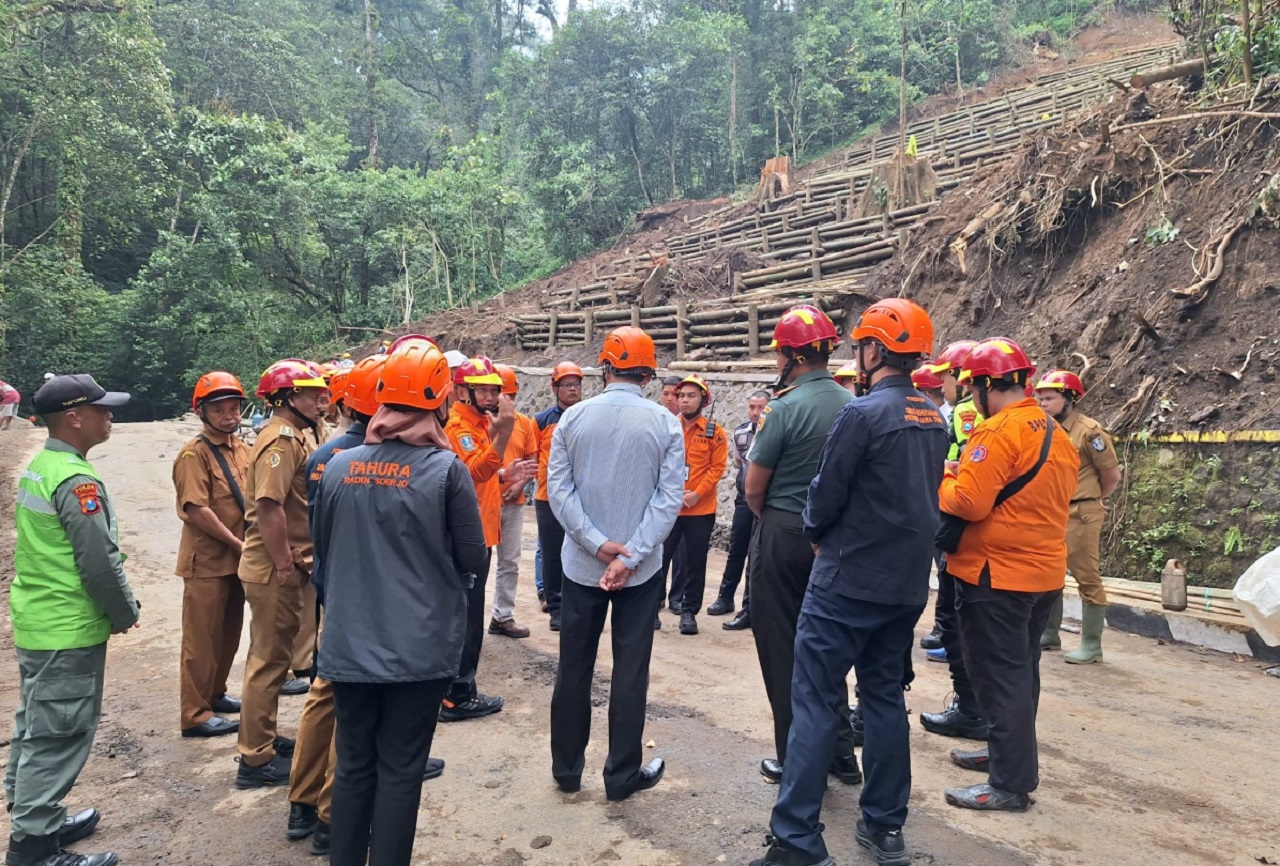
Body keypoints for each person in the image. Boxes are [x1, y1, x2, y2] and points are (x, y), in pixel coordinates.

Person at [756, 300, 946, 866]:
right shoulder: (933, 416)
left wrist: (815, 532)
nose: (858, 356)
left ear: (876, 351)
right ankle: (885, 828)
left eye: (863, 346)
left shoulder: (862, 416)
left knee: (814, 700)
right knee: (885, 700)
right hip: (905, 587)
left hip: (845, 584)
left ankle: (796, 839)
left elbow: (824, 495)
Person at [314, 340, 487, 866]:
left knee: (353, 765)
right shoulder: (446, 470)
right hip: (418, 650)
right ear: (441, 399)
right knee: (401, 769)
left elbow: (324, 556)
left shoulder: (340, 467)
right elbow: (472, 557)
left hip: (348, 648)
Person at [939, 338, 1077, 812]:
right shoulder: (1054, 432)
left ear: (984, 385)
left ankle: (1009, 784)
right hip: (1042, 575)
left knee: (999, 678)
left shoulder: (997, 431)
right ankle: (1004, 755)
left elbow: (970, 503)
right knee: (1021, 673)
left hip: (997, 576)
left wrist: (945, 477)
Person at [6, 374, 139, 866]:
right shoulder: (75, 479)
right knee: (57, 733)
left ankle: (34, 814)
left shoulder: (43, 465)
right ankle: (34, 848)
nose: (111, 416)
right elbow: (98, 561)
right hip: (67, 626)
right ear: (75, 418)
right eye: (103, 409)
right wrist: (124, 612)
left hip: (40, 619)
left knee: (34, 725)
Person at [548, 326, 683, 801]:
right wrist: (631, 554)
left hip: (582, 566)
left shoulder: (573, 418)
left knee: (574, 669)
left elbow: (558, 493)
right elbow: (670, 500)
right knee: (629, 671)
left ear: (605, 368)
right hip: (640, 573)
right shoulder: (666, 423)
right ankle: (621, 776)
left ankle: (566, 770)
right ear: (648, 372)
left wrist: (598, 544)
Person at [743, 304, 859, 788]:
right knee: (828, 647)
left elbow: (753, 486)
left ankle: (796, 759)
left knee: (781, 648)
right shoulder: (854, 404)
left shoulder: (784, 408)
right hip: (838, 539)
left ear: (792, 356)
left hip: (786, 532)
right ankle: (842, 755)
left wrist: (771, 520)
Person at [285, 351, 391, 855]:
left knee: (324, 691)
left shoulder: (324, 454)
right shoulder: (373, 460)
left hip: (333, 584)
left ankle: (302, 801)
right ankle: (333, 815)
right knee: (353, 703)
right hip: (364, 597)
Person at [234, 359, 328, 790]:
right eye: (311, 394)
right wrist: (285, 564)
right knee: (269, 661)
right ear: (289, 398)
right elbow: (269, 507)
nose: (320, 399)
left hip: (283, 565)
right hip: (275, 568)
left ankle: (264, 739)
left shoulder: (295, 435)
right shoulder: (281, 440)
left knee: (273, 658)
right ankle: (254, 759)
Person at [443, 356, 535, 721]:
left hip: (481, 531)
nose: (490, 396)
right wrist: (503, 435)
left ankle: (461, 689)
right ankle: (457, 695)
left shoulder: (479, 424)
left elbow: (477, 479)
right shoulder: (458, 427)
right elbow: (474, 470)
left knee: (469, 615)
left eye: (494, 389)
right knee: (465, 619)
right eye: (482, 389)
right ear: (463, 390)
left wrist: (504, 473)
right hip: (468, 536)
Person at [172, 372, 251, 739]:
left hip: (238, 560)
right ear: (201, 412)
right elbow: (197, 509)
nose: (228, 414)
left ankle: (215, 694)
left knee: (228, 633)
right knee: (201, 640)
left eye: (233, 406)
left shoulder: (243, 448)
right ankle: (195, 714)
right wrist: (238, 544)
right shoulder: (194, 454)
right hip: (207, 562)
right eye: (219, 408)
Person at [1034, 370, 1121, 663]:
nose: (1043, 404)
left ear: (1069, 398)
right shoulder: (1046, 428)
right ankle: (1049, 633)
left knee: (1086, 576)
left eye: (1049, 398)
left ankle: (1092, 644)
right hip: (1053, 510)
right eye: (1040, 398)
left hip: (1081, 511)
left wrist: (1092, 499)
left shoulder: (1090, 432)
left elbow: (1111, 475)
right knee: (1050, 574)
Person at [659, 374, 728, 635]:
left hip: (700, 511)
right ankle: (653, 606)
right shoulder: (668, 428)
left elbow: (717, 467)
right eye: (682, 396)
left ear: (703, 400)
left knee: (695, 563)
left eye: (691, 396)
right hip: (669, 508)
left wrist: (696, 494)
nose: (685, 400)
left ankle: (689, 611)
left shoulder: (714, 433)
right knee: (660, 559)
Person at [708, 390, 771, 630]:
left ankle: (749, 608)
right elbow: (739, 463)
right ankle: (725, 598)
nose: (755, 412)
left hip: (764, 501)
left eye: (760, 407)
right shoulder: (741, 433)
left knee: (755, 556)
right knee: (736, 549)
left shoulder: (773, 431)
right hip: (743, 499)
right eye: (752, 407)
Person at [533, 361, 585, 632]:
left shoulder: (589, 416)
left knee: (581, 549)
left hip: (581, 494)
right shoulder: (542, 421)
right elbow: (533, 455)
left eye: (576, 384)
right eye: (566, 385)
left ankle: (578, 605)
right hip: (547, 496)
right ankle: (556, 607)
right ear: (555, 388)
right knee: (552, 553)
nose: (572, 389)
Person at [490, 364, 539, 639]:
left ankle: (502, 616)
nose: (506, 402)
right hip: (485, 502)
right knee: (477, 561)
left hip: (514, 502)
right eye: (502, 396)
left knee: (509, 561)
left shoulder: (524, 423)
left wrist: (520, 483)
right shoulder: (481, 422)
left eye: (511, 396)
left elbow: (533, 458)